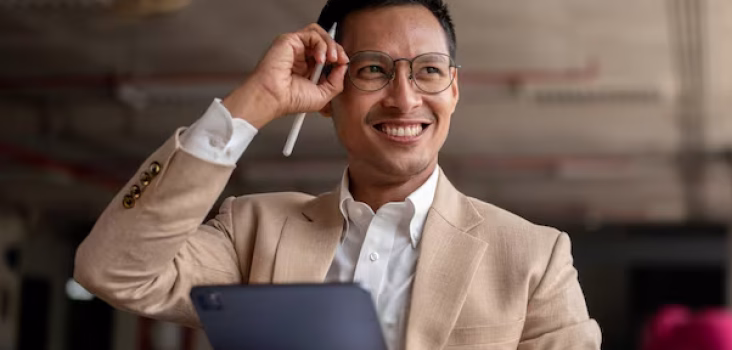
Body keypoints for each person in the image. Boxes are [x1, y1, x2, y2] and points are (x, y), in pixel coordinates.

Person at [74, 0, 601, 349]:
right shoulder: (253, 232)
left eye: (429, 70)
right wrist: (256, 101)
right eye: (373, 69)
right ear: (328, 92)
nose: (404, 98)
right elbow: (113, 271)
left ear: (454, 90)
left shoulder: (534, 257)